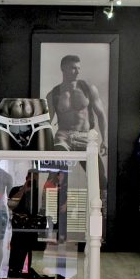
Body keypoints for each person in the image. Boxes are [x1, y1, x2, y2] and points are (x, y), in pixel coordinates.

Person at [46, 55, 108, 191]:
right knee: (55, 174)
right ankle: (49, 203)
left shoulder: (88, 89)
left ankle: (102, 204)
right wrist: (43, 144)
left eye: (79, 68)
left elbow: (101, 115)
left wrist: (105, 140)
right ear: (63, 68)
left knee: (100, 178)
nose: (77, 72)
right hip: (63, 137)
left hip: (85, 136)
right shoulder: (53, 94)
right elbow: (46, 122)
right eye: (73, 68)